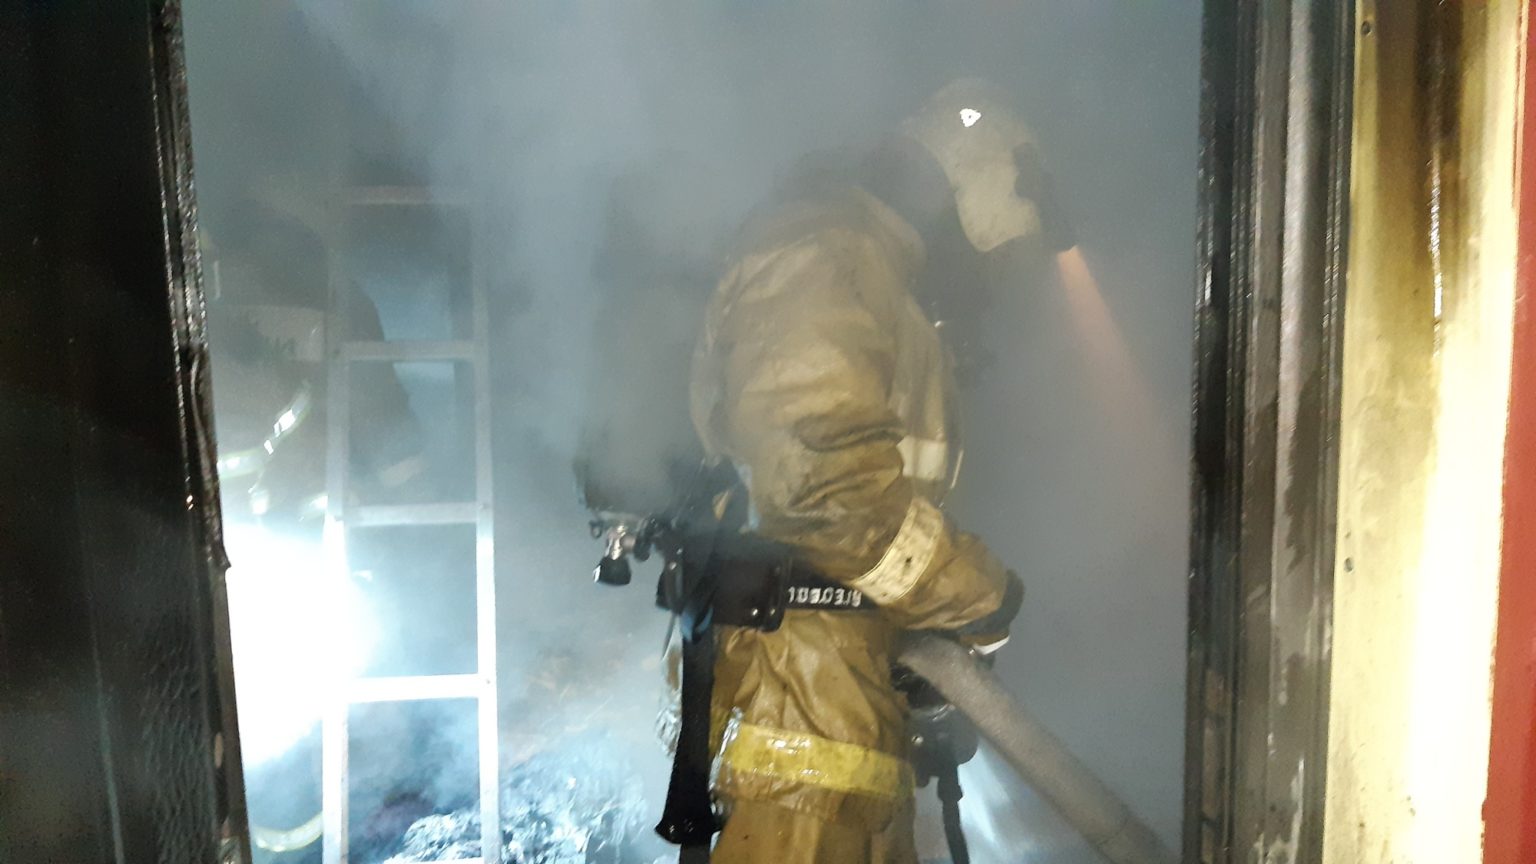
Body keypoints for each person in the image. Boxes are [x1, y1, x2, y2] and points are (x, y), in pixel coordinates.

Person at [688, 78, 1077, 862]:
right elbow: (824, 489)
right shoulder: (827, 256)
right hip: (796, 715)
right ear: (959, 198)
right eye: (992, 260)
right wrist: (979, 598)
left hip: (832, 703)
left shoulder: (867, 269)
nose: (987, 288)